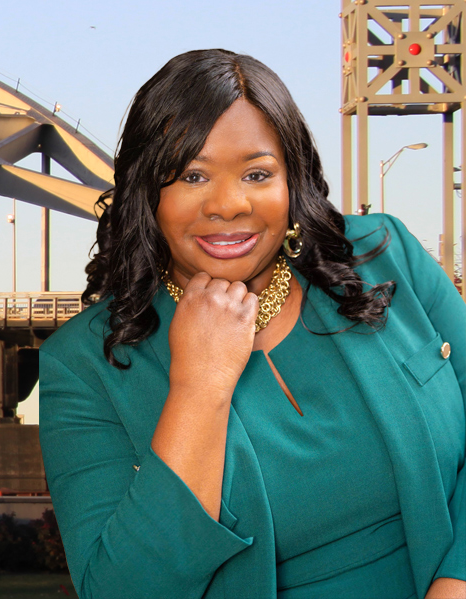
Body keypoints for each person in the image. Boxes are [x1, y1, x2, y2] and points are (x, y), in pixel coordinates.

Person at [41, 49, 466, 598]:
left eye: (257, 173)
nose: (229, 204)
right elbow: (123, 589)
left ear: (294, 180)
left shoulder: (385, 257)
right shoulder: (82, 365)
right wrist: (199, 388)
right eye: (193, 175)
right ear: (149, 192)